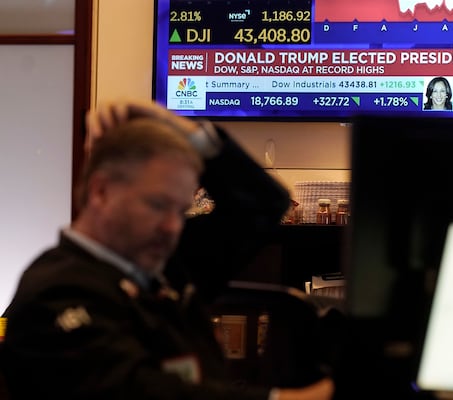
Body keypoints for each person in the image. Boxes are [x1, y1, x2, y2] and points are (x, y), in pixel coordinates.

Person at [0, 99, 335, 400]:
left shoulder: (163, 262)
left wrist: (185, 130)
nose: (173, 226)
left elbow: (263, 205)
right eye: (158, 205)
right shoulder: (53, 295)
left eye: (179, 210)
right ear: (100, 191)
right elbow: (140, 392)